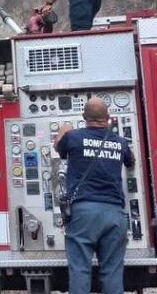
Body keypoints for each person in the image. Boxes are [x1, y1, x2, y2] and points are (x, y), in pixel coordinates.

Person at [55, 97, 135, 294]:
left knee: (80, 270)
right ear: (108, 118)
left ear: (84, 117)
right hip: (115, 213)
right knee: (112, 271)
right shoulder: (120, 142)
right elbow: (130, 161)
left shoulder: (73, 137)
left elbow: (58, 147)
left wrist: (64, 128)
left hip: (84, 213)